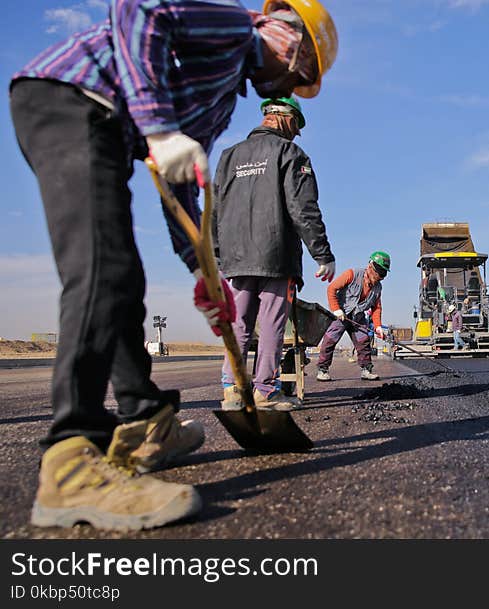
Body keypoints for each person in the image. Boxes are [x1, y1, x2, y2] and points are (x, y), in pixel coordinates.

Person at [9, 0, 337, 531]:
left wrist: (201, 268)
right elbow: (138, 9)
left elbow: (180, 179)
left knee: (124, 280)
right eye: (298, 74)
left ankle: (145, 420)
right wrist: (159, 128)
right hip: (68, 98)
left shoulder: (222, 100)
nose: (289, 83)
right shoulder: (233, 26)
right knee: (101, 272)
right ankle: (71, 462)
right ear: (288, 39)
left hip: (104, 125)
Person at [213, 97, 334, 412]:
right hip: (275, 255)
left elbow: (214, 210)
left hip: (235, 258)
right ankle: (265, 391)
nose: (296, 134)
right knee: (271, 324)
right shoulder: (289, 153)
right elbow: (303, 209)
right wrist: (322, 254)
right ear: (287, 118)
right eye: (297, 127)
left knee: (238, 322)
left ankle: (232, 390)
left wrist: (218, 253)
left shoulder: (228, 157)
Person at [316, 252, 391, 381]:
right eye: (379, 272)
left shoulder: (378, 287)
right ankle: (323, 370)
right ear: (370, 266)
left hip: (358, 317)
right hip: (341, 315)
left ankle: (366, 370)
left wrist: (378, 327)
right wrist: (336, 309)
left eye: (383, 274)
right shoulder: (352, 274)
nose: (380, 277)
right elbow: (331, 288)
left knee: (364, 342)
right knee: (329, 340)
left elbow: (376, 308)